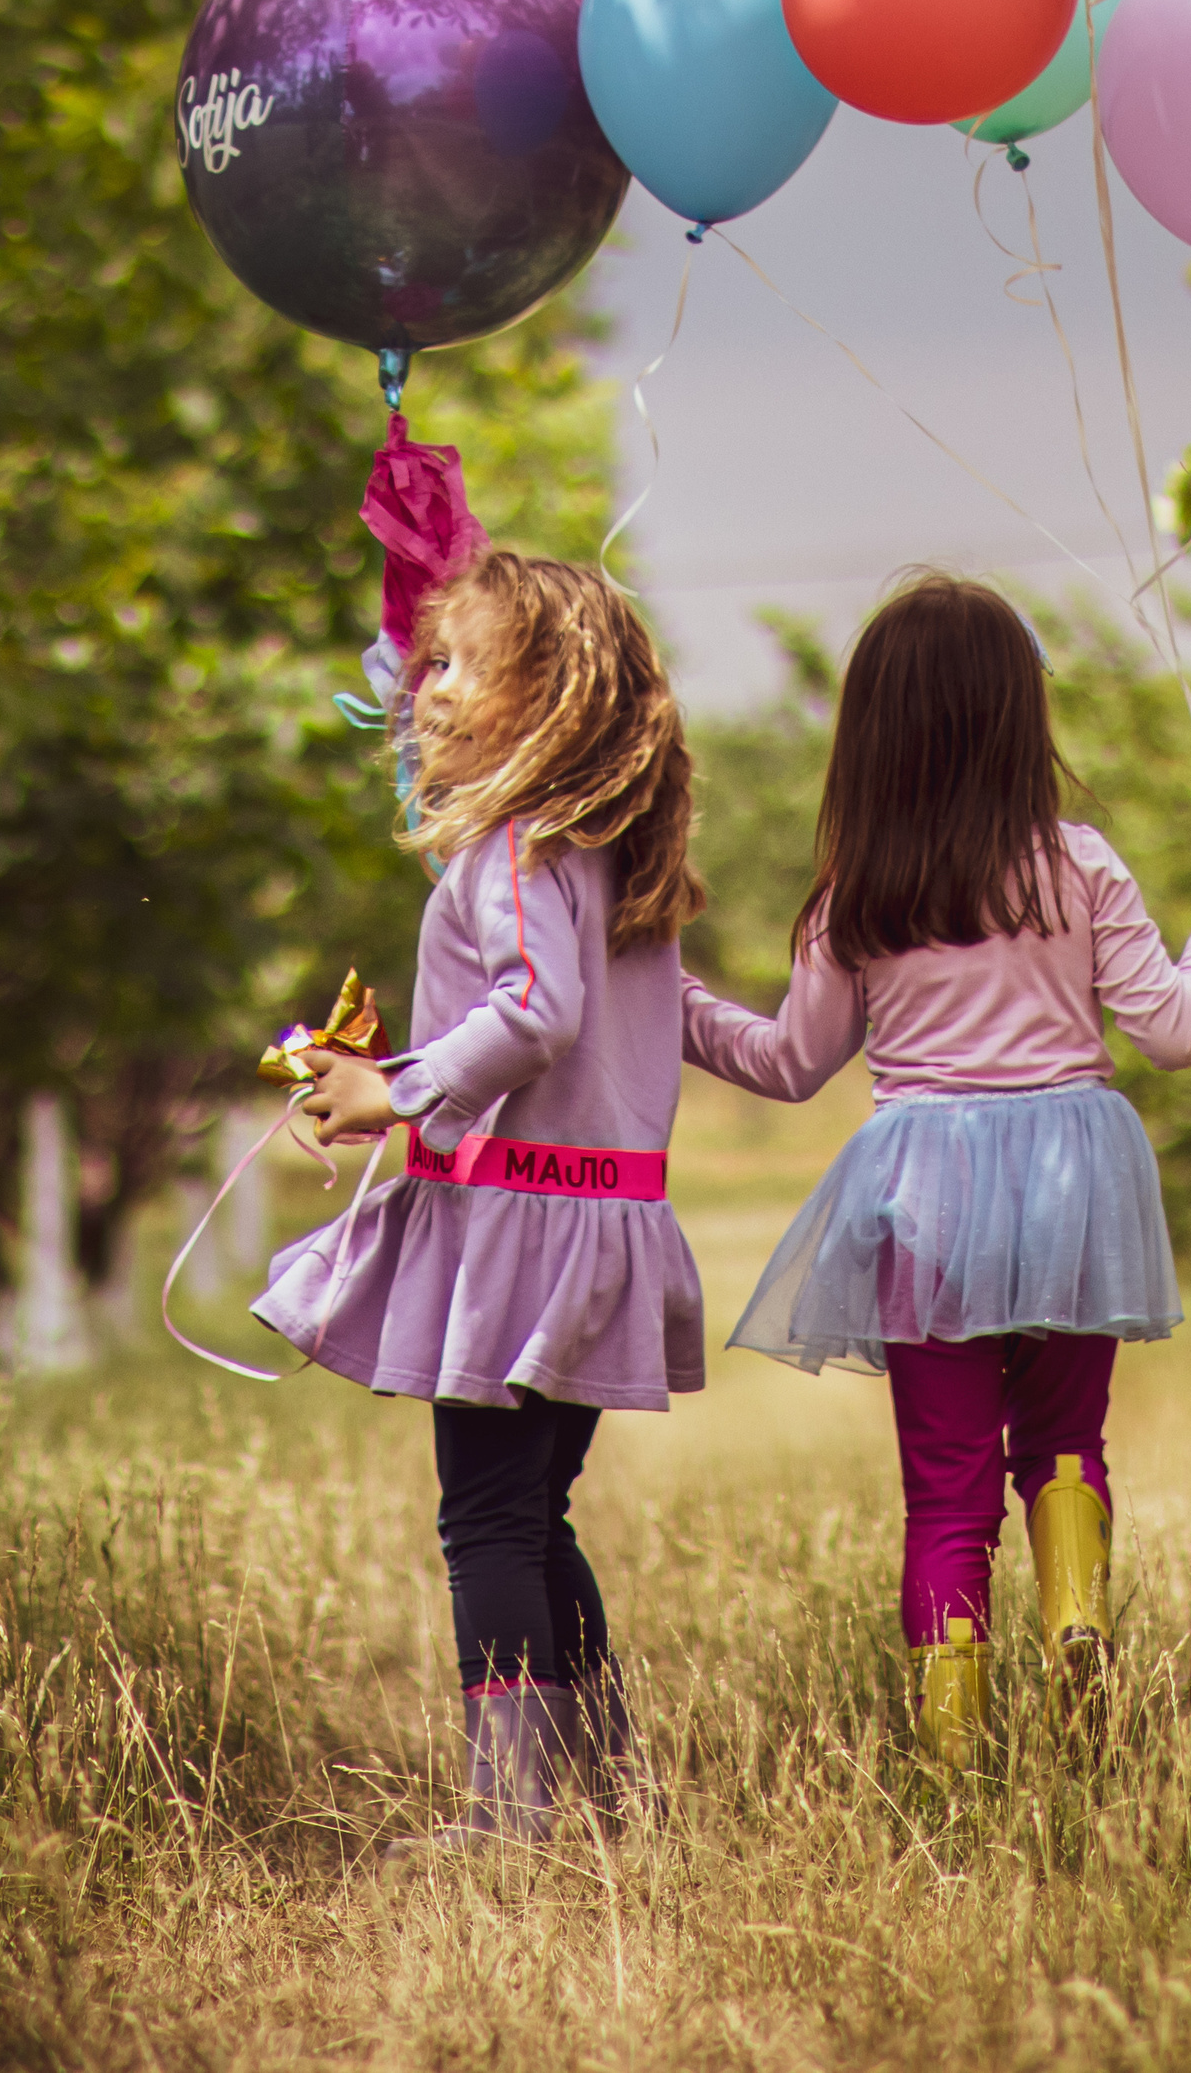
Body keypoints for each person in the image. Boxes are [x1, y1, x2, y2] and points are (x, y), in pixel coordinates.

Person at [680, 573, 1191, 1762]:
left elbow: (791, 1063)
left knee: (945, 1490)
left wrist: (673, 1002)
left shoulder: (859, 895)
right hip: (1072, 1181)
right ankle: (1074, 1623)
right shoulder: (1080, 866)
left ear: (871, 736)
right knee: (1065, 1445)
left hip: (925, 1196)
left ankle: (953, 1755)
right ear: (1020, 717)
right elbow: (1170, 1031)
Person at [269, 551, 707, 1845]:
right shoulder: (608, 861)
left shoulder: (520, 848)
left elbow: (535, 1013)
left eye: (457, 661)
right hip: (593, 1227)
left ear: (548, 694)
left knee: (487, 1518)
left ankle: (511, 1814)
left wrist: (395, 1089)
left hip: (521, 1229)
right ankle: (604, 1785)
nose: (425, 685)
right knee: (531, 1508)